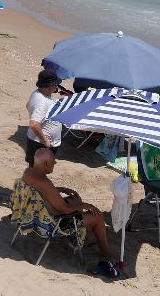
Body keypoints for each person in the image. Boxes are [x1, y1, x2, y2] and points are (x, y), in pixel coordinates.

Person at [21, 149, 119, 277]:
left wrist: (60, 190)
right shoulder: (45, 183)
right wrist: (85, 205)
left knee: (75, 200)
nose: (54, 165)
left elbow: (41, 190)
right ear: (45, 164)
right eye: (52, 163)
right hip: (54, 223)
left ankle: (76, 236)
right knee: (97, 215)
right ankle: (104, 249)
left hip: (35, 215)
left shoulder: (28, 173)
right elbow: (65, 210)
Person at [25, 69, 65, 165]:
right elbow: (34, 124)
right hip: (40, 143)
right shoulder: (42, 102)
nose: (57, 87)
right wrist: (45, 141)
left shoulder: (37, 93)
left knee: (35, 169)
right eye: (56, 85)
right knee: (39, 170)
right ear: (49, 86)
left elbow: (27, 105)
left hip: (37, 141)